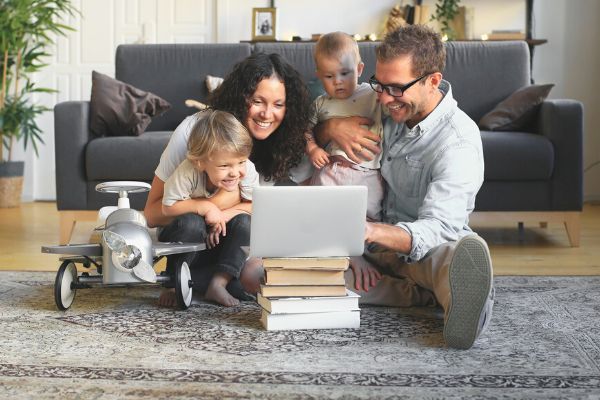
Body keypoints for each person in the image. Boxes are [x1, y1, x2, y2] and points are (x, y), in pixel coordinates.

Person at [317, 25, 494, 350]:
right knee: (309, 278)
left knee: (451, 255)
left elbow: (438, 227)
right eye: (379, 85)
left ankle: (460, 295)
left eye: (396, 88)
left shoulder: (458, 142)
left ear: (433, 81)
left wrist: (368, 231)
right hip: (372, 252)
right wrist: (330, 127)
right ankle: (426, 297)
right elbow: (323, 116)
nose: (384, 98)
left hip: (426, 247)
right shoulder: (385, 108)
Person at [144, 52, 310, 307]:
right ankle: (180, 281)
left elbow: (259, 211)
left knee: (257, 279)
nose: (267, 114)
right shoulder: (195, 133)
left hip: (232, 241)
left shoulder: (284, 143)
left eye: (278, 104)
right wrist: (211, 205)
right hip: (191, 234)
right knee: (193, 225)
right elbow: (153, 214)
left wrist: (227, 211)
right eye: (258, 101)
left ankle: (211, 283)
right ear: (241, 96)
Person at [161, 109, 258, 307]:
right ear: (200, 162)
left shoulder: (246, 169)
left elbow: (254, 205)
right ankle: (174, 283)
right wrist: (204, 207)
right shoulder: (188, 171)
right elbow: (167, 208)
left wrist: (221, 216)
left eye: (240, 162)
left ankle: (218, 283)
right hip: (186, 245)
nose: (235, 172)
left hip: (216, 244)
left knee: (246, 223)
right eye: (224, 166)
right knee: (192, 223)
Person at [305, 32, 384, 220]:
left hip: (367, 173)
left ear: (359, 69)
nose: (338, 81)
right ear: (319, 76)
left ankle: (373, 246)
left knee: (368, 218)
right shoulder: (320, 103)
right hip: (330, 169)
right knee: (319, 215)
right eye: (329, 76)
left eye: (345, 73)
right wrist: (313, 148)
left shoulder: (373, 95)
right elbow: (305, 129)